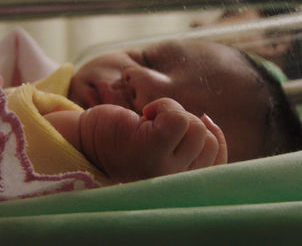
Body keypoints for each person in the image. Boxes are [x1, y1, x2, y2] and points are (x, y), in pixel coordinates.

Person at [41, 38, 302, 183]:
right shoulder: (24, 65)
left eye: (174, 125)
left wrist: (90, 136)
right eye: (148, 60)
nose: (140, 79)